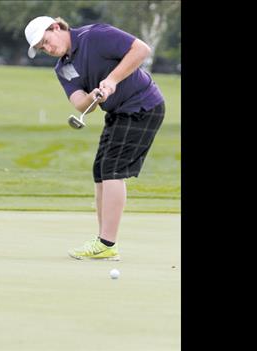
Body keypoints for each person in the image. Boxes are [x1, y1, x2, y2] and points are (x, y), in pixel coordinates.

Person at [24, 16, 165, 260]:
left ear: (56, 27)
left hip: (143, 104)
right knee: (100, 171)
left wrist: (112, 80)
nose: (47, 49)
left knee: (112, 170)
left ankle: (107, 243)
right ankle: (103, 241)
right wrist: (94, 96)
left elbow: (141, 49)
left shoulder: (95, 36)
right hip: (118, 111)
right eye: (41, 48)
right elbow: (79, 103)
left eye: (46, 41)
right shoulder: (63, 67)